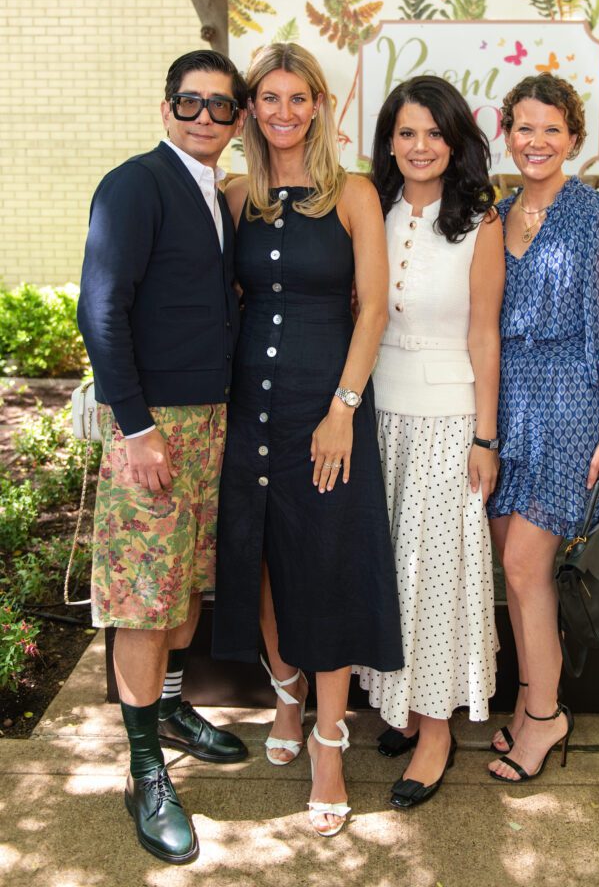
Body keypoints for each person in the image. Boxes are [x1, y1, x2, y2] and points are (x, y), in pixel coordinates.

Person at [212, 42, 403, 837]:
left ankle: (329, 740)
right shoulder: (235, 195)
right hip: (248, 408)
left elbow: (373, 308)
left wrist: (342, 408)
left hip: (326, 408)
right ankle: (285, 696)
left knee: (323, 563)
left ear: (319, 105)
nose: (283, 112)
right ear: (251, 110)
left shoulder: (352, 193)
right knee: (260, 555)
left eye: (297, 98)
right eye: (269, 98)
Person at [77, 50, 249, 864]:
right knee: (144, 602)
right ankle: (144, 770)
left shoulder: (214, 192)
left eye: (220, 106)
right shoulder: (135, 185)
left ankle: (171, 709)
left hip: (212, 419)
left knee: (182, 587)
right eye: (190, 102)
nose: (204, 117)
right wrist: (136, 427)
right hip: (154, 427)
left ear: (237, 120)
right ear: (165, 107)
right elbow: (100, 308)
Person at [486, 73, 599, 782]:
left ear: (573, 139)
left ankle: (545, 717)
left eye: (552, 129)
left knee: (526, 567)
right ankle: (531, 704)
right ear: (506, 133)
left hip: (570, 405)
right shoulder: (494, 215)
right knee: (519, 574)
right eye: (524, 126)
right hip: (505, 404)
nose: (537, 140)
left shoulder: (596, 215)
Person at [355, 75, 504, 809]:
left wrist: (485, 436)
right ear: (389, 141)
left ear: (455, 142)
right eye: (407, 133)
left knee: (437, 575)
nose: (420, 147)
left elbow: (485, 334)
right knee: (390, 571)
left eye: (435, 134)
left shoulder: (480, 219)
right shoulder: (368, 208)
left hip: (449, 420)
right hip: (378, 414)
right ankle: (406, 706)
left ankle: (437, 730)